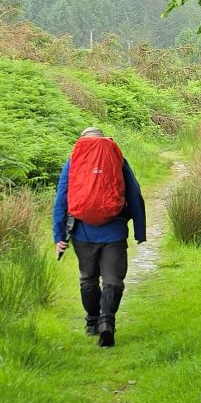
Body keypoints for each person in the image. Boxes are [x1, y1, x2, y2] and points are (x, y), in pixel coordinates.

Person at [52, 127, 147, 346]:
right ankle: (107, 321)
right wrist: (140, 231)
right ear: (105, 140)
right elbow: (134, 193)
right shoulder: (117, 159)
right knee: (113, 281)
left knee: (88, 280)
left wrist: (59, 236)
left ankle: (93, 321)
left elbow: (61, 198)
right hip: (114, 232)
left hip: (82, 233)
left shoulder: (74, 160)